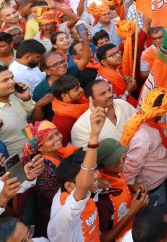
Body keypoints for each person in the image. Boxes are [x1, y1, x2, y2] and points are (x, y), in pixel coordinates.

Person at [46, 101, 107, 241]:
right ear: (69, 186)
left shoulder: (75, 188)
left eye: (95, 171)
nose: (96, 175)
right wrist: (93, 137)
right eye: (91, 175)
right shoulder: (64, 216)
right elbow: (83, 185)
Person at [119, 88, 167, 208]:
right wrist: (131, 188)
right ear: (160, 112)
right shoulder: (142, 137)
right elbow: (131, 166)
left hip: (158, 179)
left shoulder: (138, 117)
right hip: (153, 186)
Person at [0, 65, 35, 156]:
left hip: (34, 152)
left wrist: (26, 99)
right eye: (5, 80)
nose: (12, 82)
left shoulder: (14, 96)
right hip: (17, 163)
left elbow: (24, 117)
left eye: (11, 78)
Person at [70, 79, 136, 147]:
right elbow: (85, 156)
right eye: (102, 94)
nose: (110, 95)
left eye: (109, 90)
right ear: (91, 100)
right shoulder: (81, 127)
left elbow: (140, 124)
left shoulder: (123, 104)